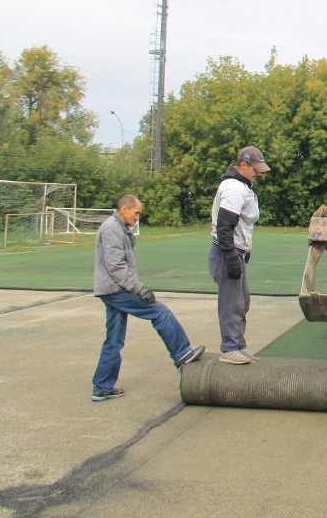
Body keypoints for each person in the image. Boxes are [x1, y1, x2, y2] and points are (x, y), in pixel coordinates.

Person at [92, 195, 205, 402]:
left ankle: (102, 387)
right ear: (124, 209)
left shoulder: (120, 229)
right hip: (116, 289)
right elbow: (116, 267)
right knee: (159, 311)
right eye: (136, 213)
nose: (137, 217)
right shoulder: (111, 229)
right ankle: (182, 354)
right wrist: (139, 288)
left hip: (112, 289)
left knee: (114, 339)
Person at [208, 146, 271, 364]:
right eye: (255, 169)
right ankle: (229, 349)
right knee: (231, 303)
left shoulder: (244, 186)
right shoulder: (234, 188)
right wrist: (232, 256)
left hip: (235, 251)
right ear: (242, 165)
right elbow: (225, 227)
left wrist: (244, 251)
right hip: (226, 252)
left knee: (241, 302)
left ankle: (238, 346)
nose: (259, 173)